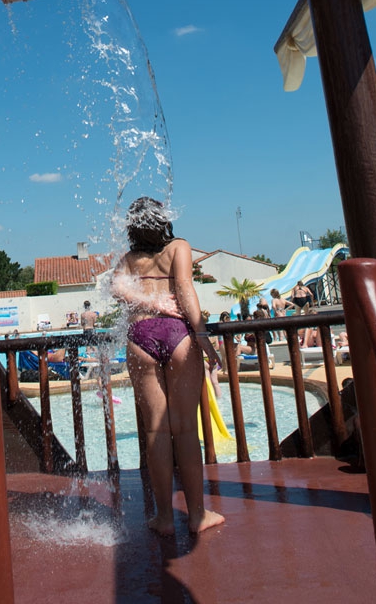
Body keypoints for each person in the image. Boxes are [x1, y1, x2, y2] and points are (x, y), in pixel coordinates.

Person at [111, 196, 224, 536]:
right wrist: (202, 336)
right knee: (186, 429)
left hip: (140, 335)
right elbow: (186, 289)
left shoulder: (130, 259)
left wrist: (148, 301)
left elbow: (115, 289)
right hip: (178, 335)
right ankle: (197, 515)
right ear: (164, 220)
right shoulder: (179, 248)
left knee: (155, 431)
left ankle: (163, 518)